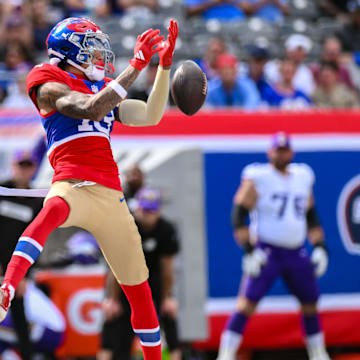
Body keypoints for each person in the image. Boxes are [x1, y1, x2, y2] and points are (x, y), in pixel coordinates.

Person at [0, 16, 179, 360]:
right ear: (68, 51)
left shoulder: (105, 88)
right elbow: (88, 107)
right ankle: (7, 286)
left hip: (110, 194)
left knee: (139, 289)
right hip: (73, 183)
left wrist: (163, 66)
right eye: (92, 51)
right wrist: (136, 66)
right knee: (51, 210)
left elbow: (151, 115)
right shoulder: (48, 79)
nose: (100, 58)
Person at [216, 132, 330, 360]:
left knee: (310, 303)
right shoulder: (259, 176)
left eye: (284, 150)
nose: (281, 154)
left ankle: (318, 354)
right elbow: (238, 214)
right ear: (270, 152)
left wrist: (320, 246)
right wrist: (249, 250)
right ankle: (225, 354)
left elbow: (311, 214)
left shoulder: (303, 175)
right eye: (277, 150)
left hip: (296, 251)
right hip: (268, 250)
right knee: (246, 303)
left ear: (291, 152)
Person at [99, 187, 181, 360]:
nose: (147, 215)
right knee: (115, 333)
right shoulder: (126, 226)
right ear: (137, 208)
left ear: (158, 210)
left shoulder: (166, 229)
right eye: (144, 210)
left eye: (151, 210)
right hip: (126, 282)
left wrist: (168, 298)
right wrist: (112, 299)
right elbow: (115, 264)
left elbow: (167, 268)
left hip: (154, 283)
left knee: (170, 327)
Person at [0, 150, 44, 360]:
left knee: (19, 315)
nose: (24, 170)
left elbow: (38, 238)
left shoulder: (36, 200)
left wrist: (26, 275)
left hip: (18, 268)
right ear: (13, 166)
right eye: (21, 165)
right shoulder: (1, 190)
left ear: (34, 169)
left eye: (28, 165)